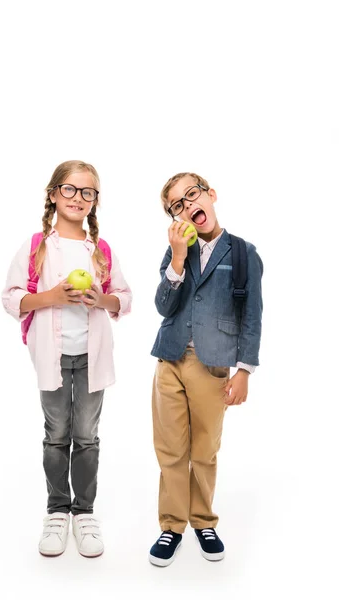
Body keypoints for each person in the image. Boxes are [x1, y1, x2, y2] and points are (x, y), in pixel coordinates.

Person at [2, 160, 132, 558]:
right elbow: (11, 298)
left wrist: (100, 299)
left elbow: (123, 300)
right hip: (52, 359)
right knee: (57, 435)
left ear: (95, 201)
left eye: (87, 192)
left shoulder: (101, 250)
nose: (78, 198)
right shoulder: (37, 246)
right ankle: (57, 511)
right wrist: (53, 297)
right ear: (54, 193)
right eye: (70, 190)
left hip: (92, 359)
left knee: (87, 436)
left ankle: (84, 512)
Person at [149, 172, 263, 567]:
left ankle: (202, 519)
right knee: (170, 448)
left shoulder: (244, 253)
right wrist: (178, 259)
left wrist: (244, 370)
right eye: (176, 205)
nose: (187, 206)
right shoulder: (176, 251)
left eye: (191, 195)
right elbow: (164, 306)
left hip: (213, 366)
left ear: (210, 195)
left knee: (204, 449)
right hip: (170, 359)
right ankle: (172, 524)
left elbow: (252, 316)